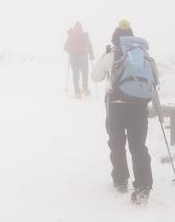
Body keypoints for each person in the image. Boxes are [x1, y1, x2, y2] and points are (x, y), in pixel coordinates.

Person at [91, 19, 159, 204]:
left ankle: (120, 180)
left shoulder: (113, 55)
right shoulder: (144, 55)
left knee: (117, 143)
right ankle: (143, 186)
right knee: (138, 145)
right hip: (140, 105)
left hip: (116, 105)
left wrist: (105, 55)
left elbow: (95, 76)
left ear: (115, 40)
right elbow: (155, 80)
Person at [63, 21, 94, 98]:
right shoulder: (84, 35)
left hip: (73, 58)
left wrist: (70, 51)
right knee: (85, 73)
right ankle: (85, 88)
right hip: (83, 57)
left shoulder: (71, 35)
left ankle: (77, 92)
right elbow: (89, 45)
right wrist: (91, 55)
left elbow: (65, 47)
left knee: (76, 75)